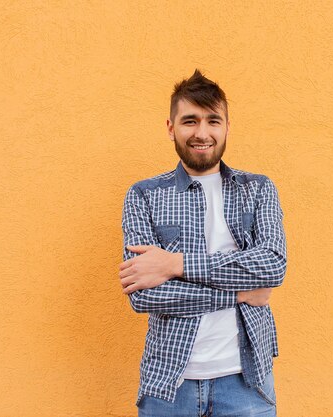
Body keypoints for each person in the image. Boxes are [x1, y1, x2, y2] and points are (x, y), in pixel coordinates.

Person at [118, 69, 287, 416]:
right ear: (171, 128)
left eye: (213, 121)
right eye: (190, 121)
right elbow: (144, 294)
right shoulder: (144, 195)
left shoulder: (257, 189)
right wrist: (239, 293)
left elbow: (272, 264)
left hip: (246, 382)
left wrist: (174, 265)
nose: (202, 133)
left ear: (227, 127)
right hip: (168, 383)